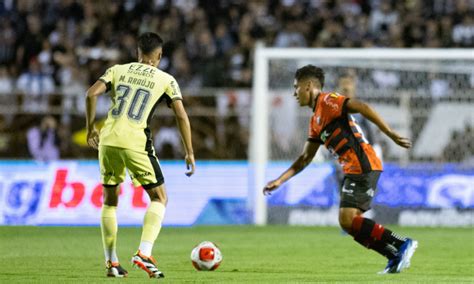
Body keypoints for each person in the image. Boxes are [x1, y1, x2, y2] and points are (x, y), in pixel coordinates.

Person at [263, 65, 417, 274]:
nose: (294, 93)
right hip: (353, 168)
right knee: (348, 222)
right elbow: (305, 157)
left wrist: (390, 133)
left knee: (347, 220)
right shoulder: (315, 120)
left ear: (308, 86)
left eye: (296, 87)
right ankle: (394, 254)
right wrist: (280, 181)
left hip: (363, 164)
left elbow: (362, 106)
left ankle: (401, 244)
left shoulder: (328, 101)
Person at [85, 32, 195, 278]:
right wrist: (189, 151)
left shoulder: (117, 70)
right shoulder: (166, 79)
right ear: (159, 55)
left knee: (110, 200)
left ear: (137, 53)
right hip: (135, 142)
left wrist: (90, 128)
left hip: (108, 139)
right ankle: (144, 253)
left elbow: (91, 94)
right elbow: (181, 115)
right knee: (160, 198)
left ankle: (111, 263)